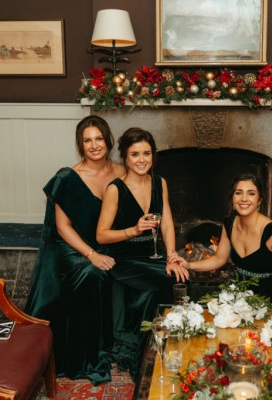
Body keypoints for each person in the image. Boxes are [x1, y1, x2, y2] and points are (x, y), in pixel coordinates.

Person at [25, 115, 125, 384]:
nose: (94, 145)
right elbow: (62, 227)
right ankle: (84, 356)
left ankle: (125, 343)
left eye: (98, 139)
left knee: (132, 269)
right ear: (81, 145)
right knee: (91, 274)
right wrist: (91, 255)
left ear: (108, 140)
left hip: (107, 243)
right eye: (87, 140)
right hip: (72, 249)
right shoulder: (68, 177)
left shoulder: (121, 172)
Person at [96, 127, 188, 378]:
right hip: (124, 259)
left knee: (177, 273)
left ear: (153, 155)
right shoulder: (115, 189)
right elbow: (101, 234)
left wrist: (171, 255)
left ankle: (164, 341)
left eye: (146, 153)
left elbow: (167, 223)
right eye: (135, 154)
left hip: (154, 255)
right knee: (161, 281)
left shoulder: (160, 183)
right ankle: (145, 351)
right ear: (125, 157)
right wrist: (134, 230)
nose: (141, 160)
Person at [183, 173, 272, 309]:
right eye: (238, 193)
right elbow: (219, 259)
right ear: (232, 198)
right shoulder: (229, 224)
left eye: (251, 193)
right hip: (238, 298)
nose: (244, 199)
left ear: (260, 200)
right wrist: (188, 265)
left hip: (269, 303)